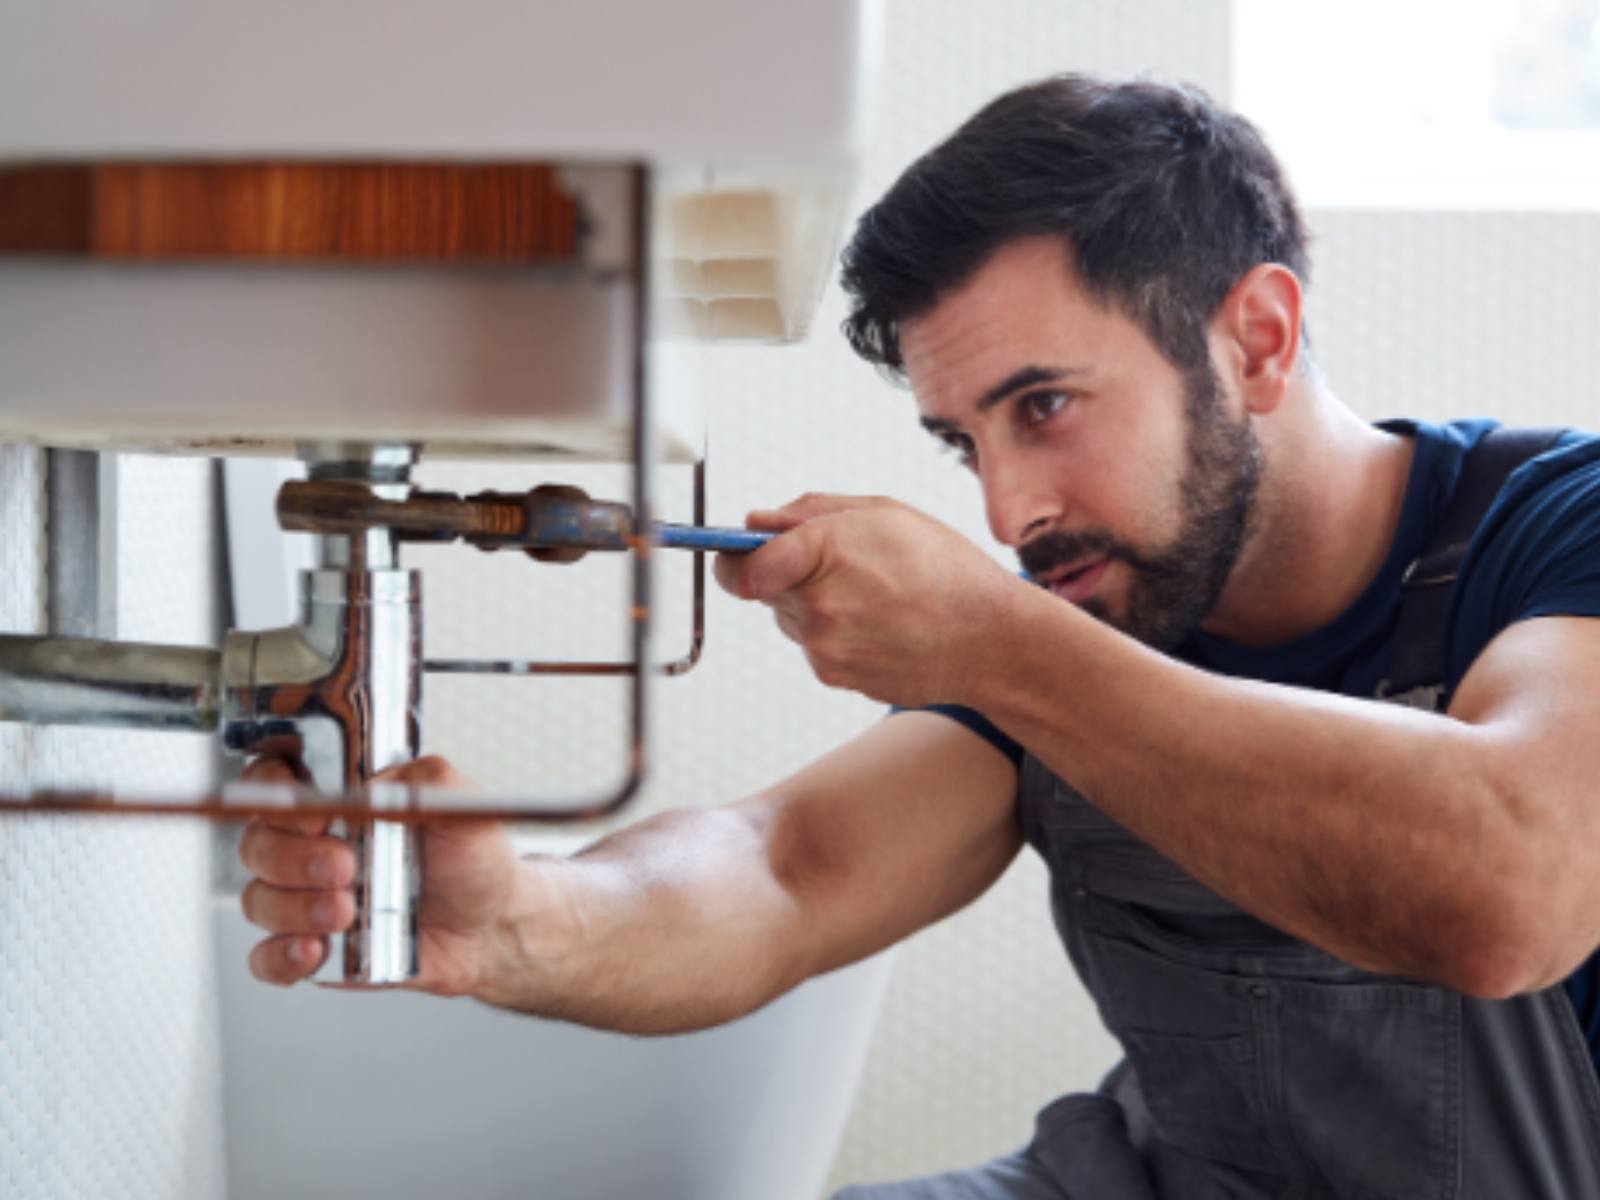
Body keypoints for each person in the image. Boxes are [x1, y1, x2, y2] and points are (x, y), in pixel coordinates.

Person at [237, 76, 1600, 1197]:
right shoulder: (1091, 608)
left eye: (1047, 406)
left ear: (1255, 339)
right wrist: (529, 916)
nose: (1011, 508)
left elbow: (1514, 890)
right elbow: (788, 864)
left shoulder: (1559, 527)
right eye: (965, 442)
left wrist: (996, 637)